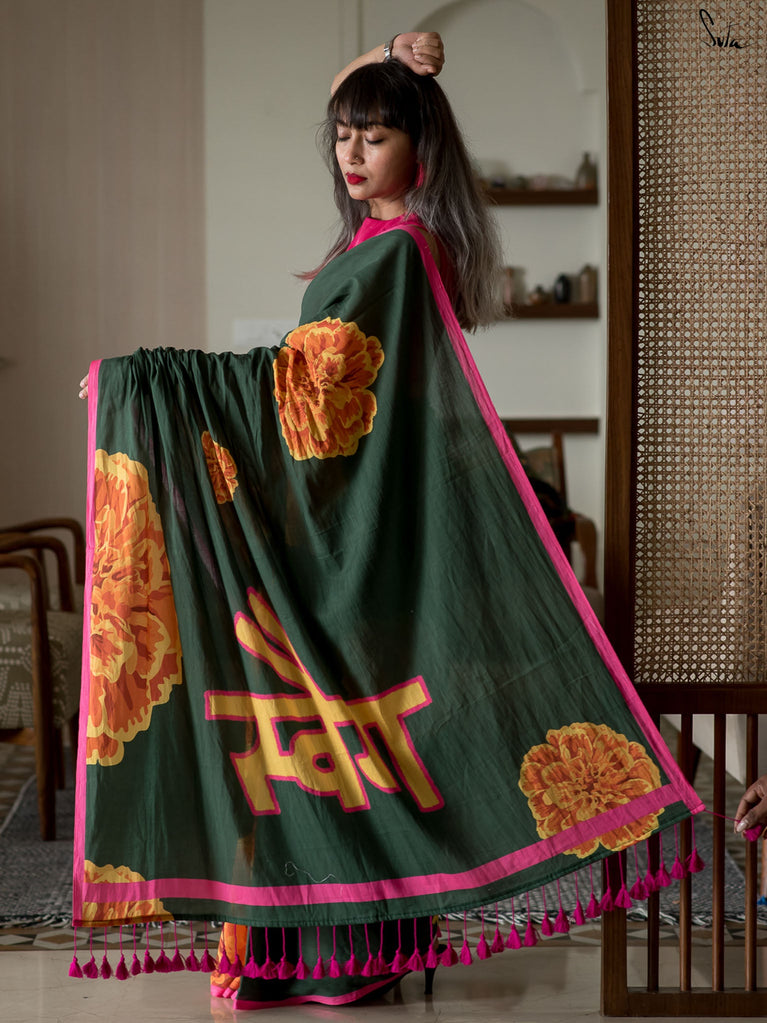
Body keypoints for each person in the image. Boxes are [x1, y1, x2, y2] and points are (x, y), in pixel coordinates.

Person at [73, 29, 701, 1016]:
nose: (351, 153)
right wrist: (380, 55)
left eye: (375, 136)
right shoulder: (384, 243)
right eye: (342, 136)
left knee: (329, 741)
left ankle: (337, 957)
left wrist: (140, 380)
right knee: (330, 744)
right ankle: (313, 952)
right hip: (346, 519)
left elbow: (308, 392)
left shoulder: (398, 254)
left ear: (422, 149)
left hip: (354, 537)